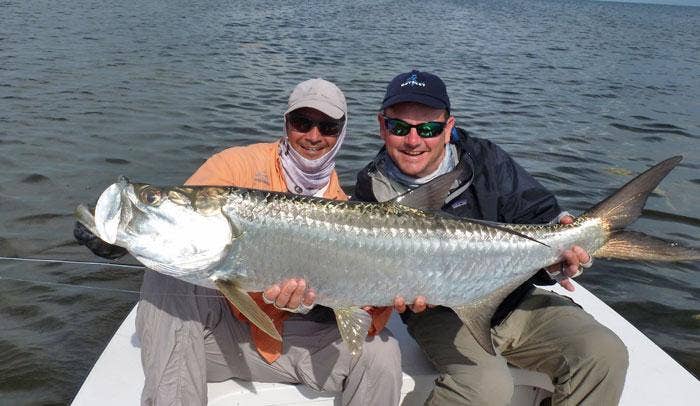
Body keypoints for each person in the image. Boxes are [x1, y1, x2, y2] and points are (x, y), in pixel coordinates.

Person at [75, 78, 402, 406]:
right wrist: (122, 242)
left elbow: (367, 315)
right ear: (286, 123)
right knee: (162, 281)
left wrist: (311, 303)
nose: (313, 136)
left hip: (298, 347)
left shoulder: (342, 207)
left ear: (341, 133)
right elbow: (178, 230)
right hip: (218, 340)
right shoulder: (235, 166)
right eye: (302, 122)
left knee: (382, 354)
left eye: (327, 127)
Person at [353, 70, 629, 405]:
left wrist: (563, 255)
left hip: (515, 298)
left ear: (448, 128)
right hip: (441, 314)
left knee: (604, 353)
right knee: (485, 387)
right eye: (400, 128)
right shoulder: (370, 190)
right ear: (382, 127)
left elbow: (541, 217)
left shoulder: (485, 160)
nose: (414, 141)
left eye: (428, 129)